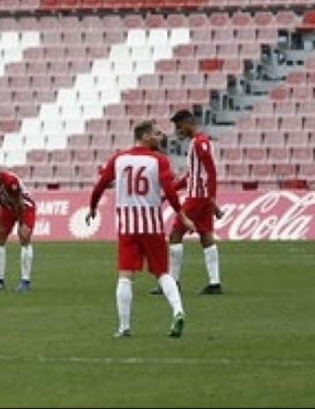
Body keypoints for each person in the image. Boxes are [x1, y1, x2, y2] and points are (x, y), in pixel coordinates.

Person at [86, 120, 195, 338]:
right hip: (152, 225)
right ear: (145, 136)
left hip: (127, 226)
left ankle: (124, 327)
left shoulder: (119, 158)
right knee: (162, 272)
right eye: (156, 134)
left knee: (125, 276)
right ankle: (178, 311)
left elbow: (99, 185)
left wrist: (92, 207)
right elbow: (170, 191)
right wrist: (182, 215)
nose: (160, 137)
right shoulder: (158, 160)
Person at [152, 109, 223, 295]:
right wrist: (170, 192)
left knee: (175, 234)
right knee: (205, 235)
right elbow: (193, 175)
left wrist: (212, 198)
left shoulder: (200, 143)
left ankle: (173, 282)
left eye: (179, 125)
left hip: (198, 197)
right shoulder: (196, 143)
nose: (177, 129)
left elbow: (211, 172)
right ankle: (215, 283)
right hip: (202, 196)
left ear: (189, 122)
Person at [0, 159, 36, 292]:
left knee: (24, 237)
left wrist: (22, 224)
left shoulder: (10, 181)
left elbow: (19, 203)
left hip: (25, 207)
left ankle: (25, 281)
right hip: (6, 208)